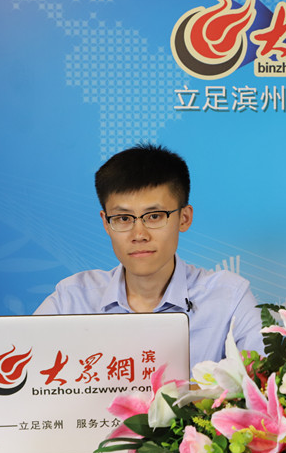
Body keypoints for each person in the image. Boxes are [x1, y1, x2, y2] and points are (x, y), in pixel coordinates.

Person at [35, 143, 264, 368]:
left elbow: (263, 384)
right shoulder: (71, 300)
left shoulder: (229, 299)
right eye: (123, 219)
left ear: (184, 218)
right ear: (106, 223)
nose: (139, 235)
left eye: (154, 216)